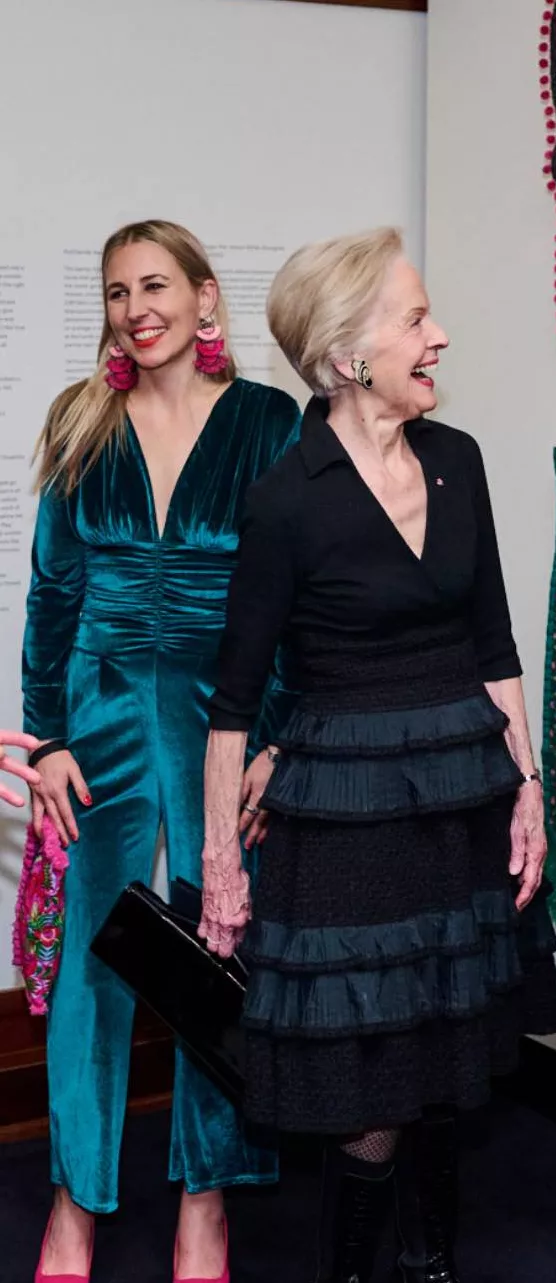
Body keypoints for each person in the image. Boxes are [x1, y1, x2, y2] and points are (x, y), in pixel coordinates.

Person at [198, 228, 556, 1283]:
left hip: (460, 790)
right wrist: (223, 867)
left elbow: (493, 645)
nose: (438, 335)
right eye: (415, 319)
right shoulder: (286, 498)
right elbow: (231, 705)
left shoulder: (458, 460)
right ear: (348, 352)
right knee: (371, 1083)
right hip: (350, 815)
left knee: (452, 1052)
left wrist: (527, 792)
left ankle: (434, 1258)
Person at [22, 219, 298, 1283]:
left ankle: (205, 1203)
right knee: (94, 966)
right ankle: (72, 1202)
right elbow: (52, 596)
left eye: (154, 286)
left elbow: (292, 597)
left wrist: (275, 741)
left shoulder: (268, 422)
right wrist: (46, 733)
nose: (137, 308)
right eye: (116, 293)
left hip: (222, 720)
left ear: (203, 299)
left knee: (211, 959)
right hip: (95, 719)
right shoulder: (82, 420)